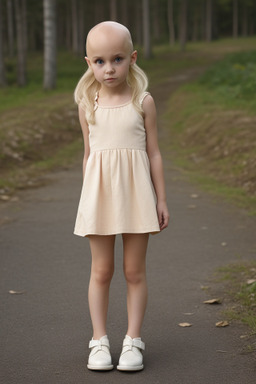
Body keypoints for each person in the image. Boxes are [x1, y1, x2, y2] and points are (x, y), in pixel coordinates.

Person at [73, 21, 169, 372]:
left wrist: (160, 199)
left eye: (117, 59)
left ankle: (133, 340)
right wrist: (86, 201)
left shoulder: (143, 101)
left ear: (132, 58)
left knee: (133, 271)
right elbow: (89, 156)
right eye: (99, 61)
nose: (108, 68)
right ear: (88, 63)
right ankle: (99, 340)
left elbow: (154, 153)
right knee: (101, 270)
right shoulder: (88, 105)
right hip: (98, 198)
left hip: (136, 196)